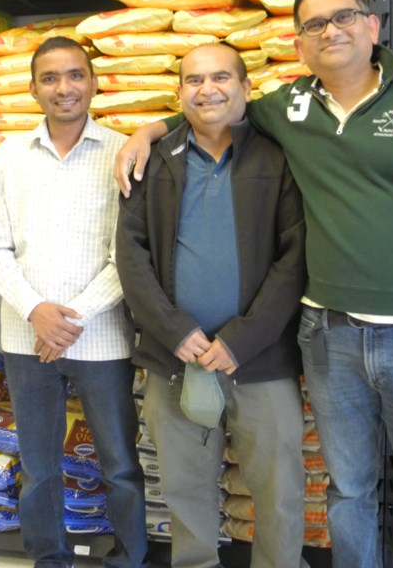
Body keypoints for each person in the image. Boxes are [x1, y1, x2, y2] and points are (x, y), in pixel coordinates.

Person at [114, 0, 393, 568]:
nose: (331, 31)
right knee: (347, 492)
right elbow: (211, 111)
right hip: (328, 335)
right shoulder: (290, 108)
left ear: (372, 26)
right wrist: (149, 129)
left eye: (344, 16)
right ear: (298, 45)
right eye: (315, 24)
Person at [115, 43, 309, 568]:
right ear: (179, 94)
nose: (207, 89)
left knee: (279, 490)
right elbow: (130, 257)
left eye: (221, 77)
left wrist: (241, 339)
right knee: (184, 490)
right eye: (194, 80)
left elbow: (295, 258)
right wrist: (174, 330)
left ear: (247, 89)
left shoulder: (278, 157)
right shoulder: (152, 159)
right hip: (174, 359)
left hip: (260, 359)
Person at [0, 36, 148, 568]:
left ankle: (130, 559)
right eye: (50, 78)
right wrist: (37, 312)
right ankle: (49, 558)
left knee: (119, 462)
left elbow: (129, 254)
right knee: (39, 463)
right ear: (32, 88)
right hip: (27, 337)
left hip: (101, 337)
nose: (64, 88)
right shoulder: (9, 156)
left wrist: (70, 319)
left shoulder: (124, 150)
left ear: (94, 83)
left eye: (75, 75)